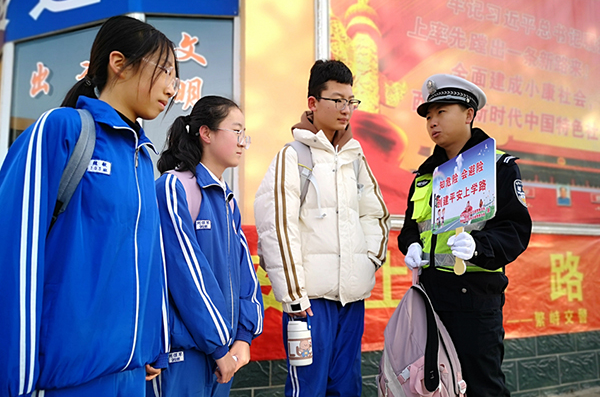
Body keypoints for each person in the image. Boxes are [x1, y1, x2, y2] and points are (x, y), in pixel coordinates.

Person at [0, 15, 177, 396]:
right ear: (119, 63)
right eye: (164, 70)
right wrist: (17, 378)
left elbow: (149, 258)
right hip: (64, 380)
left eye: (175, 78)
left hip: (131, 374)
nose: (171, 88)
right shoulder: (62, 130)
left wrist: (152, 343)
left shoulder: (142, 158)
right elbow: (14, 252)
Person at [254, 59, 390, 397]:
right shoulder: (293, 156)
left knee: (346, 388)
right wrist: (294, 296)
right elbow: (277, 228)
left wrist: (368, 262)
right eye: (337, 100)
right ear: (313, 103)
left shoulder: (355, 158)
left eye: (351, 101)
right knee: (308, 389)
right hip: (310, 303)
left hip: (351, 300)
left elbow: (375, 215)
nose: (346, 109)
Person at [398, 74, 532, 396]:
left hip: (474, 299)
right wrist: (411, 245)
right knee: (433, 387)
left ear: (469, 114)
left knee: (482, 387)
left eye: (441, 112)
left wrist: (478, 246)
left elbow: (515, 229)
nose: (433, 122)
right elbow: (410, 228)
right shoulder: (425, 175)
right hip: (430, 299)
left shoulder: (497, 166)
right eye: (428, 116)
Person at [150, 96, 264, 397]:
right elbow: (186, 275)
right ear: (206, 133)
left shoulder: (227, 199)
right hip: (185, 354)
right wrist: (218, 347)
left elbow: (245, 272)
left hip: (223, 354)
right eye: (236, 131)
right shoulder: (174, 188)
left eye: (244, 133)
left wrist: (243, 336)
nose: (242, 142)